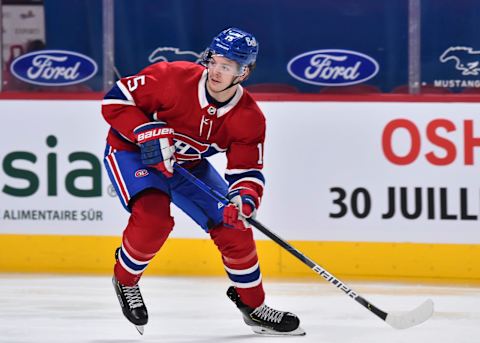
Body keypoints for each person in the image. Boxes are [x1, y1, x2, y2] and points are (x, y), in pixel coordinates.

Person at [101, 27, 305, 336]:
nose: (216, 71)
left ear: (244, 71)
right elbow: (115, 100)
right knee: (153, 221)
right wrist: (145, 131)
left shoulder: (249, 117)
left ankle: (253, 306)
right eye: (214, 61)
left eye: (227, 66)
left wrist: (244, 200)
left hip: (188, 167)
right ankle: (126, 280)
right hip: (133, 154)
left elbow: (246, 171)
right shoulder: (171, 77)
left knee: (235, 227)